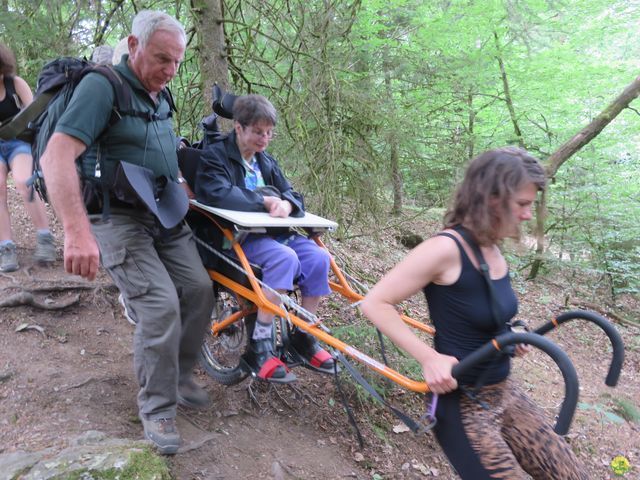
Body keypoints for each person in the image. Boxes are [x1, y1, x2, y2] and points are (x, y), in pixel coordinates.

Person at [39, 10, 214, 455]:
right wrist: (76, 232)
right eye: (161, 59)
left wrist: (181, 184)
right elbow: (56, 157)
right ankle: (158, 408)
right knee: (159, 306)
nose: (170, 71)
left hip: (163, 214)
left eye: (177, 62)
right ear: (133, 47)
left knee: (198, 290)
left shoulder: (161, 92)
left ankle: (176, 375)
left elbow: (161, 148)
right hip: (116, 217)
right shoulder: (103, 87)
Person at [360, 147, 587, 479]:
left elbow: (483, 314)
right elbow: (375, 303)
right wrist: (428, 358)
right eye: (522, 204)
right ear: (492, 197)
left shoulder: (492, 248)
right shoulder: (445, 249)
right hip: (463, 405)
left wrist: (513, 331)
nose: (528, 214)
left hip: (504, 392)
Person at [195, 94, 335, 383]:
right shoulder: (216, 154)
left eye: (269, 133)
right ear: (239, 127)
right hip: (234, 240)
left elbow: (292, 193)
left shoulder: (265, 161)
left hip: (273, 236)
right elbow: (216, 192)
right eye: (258, 132)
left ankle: (304, 337)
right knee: (285, 259)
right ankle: (260, 346)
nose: (265, 138)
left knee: (320, 258)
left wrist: (289, 205)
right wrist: (265, 201)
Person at [0, 42, 56, 272]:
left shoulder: (15, 84)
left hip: (18, 143)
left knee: (25, 183)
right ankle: (6, 247)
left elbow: (37, 115)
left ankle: (44, 238)